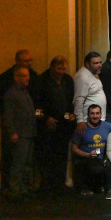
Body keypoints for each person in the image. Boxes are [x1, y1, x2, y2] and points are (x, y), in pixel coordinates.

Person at [33, 55, 75, 191]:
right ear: (52, 67)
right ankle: (46, 185)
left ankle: (60, 184)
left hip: (63, 126)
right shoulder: (40, 81)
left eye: (64, 68)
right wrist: (46, 119)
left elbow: (70, 103)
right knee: (47, 156)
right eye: (59, 68)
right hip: (46, 127)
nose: (61, 71)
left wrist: (69, 116)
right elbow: (35, 108)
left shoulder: (68, 80)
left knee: (62, 155)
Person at [3, 66, 36, 199]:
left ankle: (23, 188)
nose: (27, 78)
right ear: (16, 77)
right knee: (18, 163)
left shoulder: (25, 92)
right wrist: (12, 132)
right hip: (20, 133)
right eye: (24, 76)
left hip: (29, 132)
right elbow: (8, 115)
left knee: (26, 163)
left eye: (28, 76)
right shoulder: (11, 94)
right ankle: (15, 189)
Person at [71, 104, 111, 196]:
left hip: (103, 157)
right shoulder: (82, 127)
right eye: (92, 113)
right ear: (88, 115)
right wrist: (87, 155)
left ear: (100, 114)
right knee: (94, 168)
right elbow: (74, 148)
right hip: (86, 158)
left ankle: (108, 188)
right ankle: (85, 188)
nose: (95, 116)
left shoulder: (108, 126)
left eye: (97, 113)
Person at [73, 52, 108, 135]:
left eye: (100, 62)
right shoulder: (82, 77)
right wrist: (80, 120)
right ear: (87, 64)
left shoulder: (94, 73)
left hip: (97, 119)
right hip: (88, 121)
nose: (99, 65)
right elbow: (78, 100)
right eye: (96, 63)